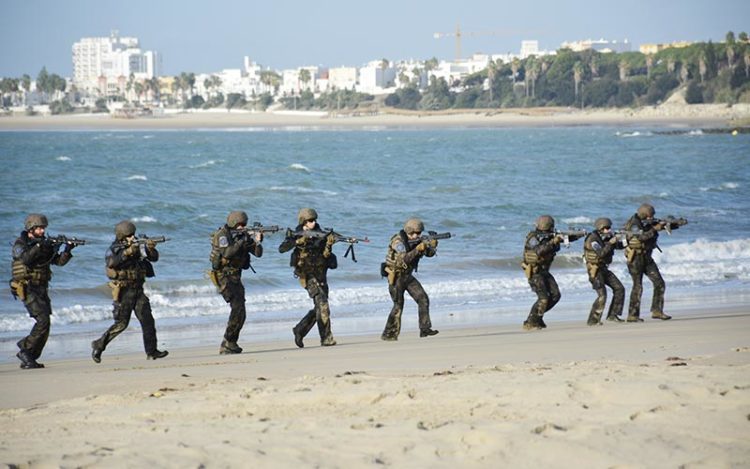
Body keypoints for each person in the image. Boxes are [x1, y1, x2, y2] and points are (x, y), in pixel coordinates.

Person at [91, 220, 168, 363]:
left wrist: (150, 248)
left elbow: (153, 258)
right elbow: (112, 262)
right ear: (121, 236)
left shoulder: (137, 245)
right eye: (129, 236)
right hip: (124, 291)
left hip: (138, 290)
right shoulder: (114, 248)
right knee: (121, 324)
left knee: (148, 321)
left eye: (133, 235)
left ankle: (152, 351)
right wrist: (127, 252)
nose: (132, 238)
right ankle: (99, 345)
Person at [10, 214, 76, 369]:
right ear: (30, 228)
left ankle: (30, 357)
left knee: (46, 324)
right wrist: (40, 246)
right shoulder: (20, 244)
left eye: (43, 228)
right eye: (39, 228)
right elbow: (25, 259)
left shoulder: (41, 243)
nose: (42, 231)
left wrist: (67, 249)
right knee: (43, 320)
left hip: (41, 288)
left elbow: (58, 262)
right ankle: (25, 349)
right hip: (27, 287)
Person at [279, 208, 337, 348]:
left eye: (315, 220)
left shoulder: (321, 234)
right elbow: (282, 248)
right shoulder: (296, 234)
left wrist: (329, 244)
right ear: (304, 222)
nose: (314, 222)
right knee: (323, 304)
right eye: (311, 220)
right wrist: (299, 241)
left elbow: (326, 256)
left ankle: (300, 329)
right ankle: (326, 339)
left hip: (321, 274)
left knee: (320, 307)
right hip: (307, 275)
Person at [209, 211, 263, 354]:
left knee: (241, 312)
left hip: (236, 278)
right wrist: (242, 240)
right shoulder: (222, 235)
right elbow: (227, 253)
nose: (241, 227)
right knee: (238, 308)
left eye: (244, 225)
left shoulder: (243, 236)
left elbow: (258, 253)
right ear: (233, 223)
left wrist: (257, 240)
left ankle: (230, 342)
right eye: (239, 225)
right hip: (223, 277)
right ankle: (227, 342)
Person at [623, 203, 685, 322]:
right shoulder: (634, 224)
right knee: (638, 286)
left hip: (647, 258)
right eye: (650, 216)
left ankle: (657, 311)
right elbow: (641, 237)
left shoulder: (646, 222)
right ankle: (632, 315)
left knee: (659, 283)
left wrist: (675, 224)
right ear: (644, 214)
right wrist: (654, 229)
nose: (651, 218)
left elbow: (656, 227)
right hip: (635, 258)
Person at [380, 218, 440, 341]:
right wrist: (418, 248)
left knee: (423, 298)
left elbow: (429, 254)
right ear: (408, 231)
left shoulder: (418, 241)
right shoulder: (398, 241)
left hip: (407, 276)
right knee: (398, 305)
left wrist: (432, 246)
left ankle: (425, 329)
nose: (416, 236)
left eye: (419, 233)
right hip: (396, 277)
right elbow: (404, 259)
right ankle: (389, 334)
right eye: (414, 233)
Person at [521, 215, 584, 330]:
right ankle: (531, 321)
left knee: (555, 295)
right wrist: (553, 241)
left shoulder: (550, 236)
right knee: (543, 298)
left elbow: (566, 239)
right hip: (535, 272)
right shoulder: (533, 238)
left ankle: (537, 318)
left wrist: (578, 235)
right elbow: (538, 251)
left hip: (544, 271)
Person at [583, 217, 626, 325]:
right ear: (600, 228)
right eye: (606, 228)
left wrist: (627, 239)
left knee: (619, 288)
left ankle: (613, 315)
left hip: (603, 269)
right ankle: (593, 320)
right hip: (595, 270)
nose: (608, 230)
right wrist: (610, 243)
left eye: (609, 228)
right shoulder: (592, 239)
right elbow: (601, 253)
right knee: (602, 295)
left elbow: (619, 246)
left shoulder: (606, 238)